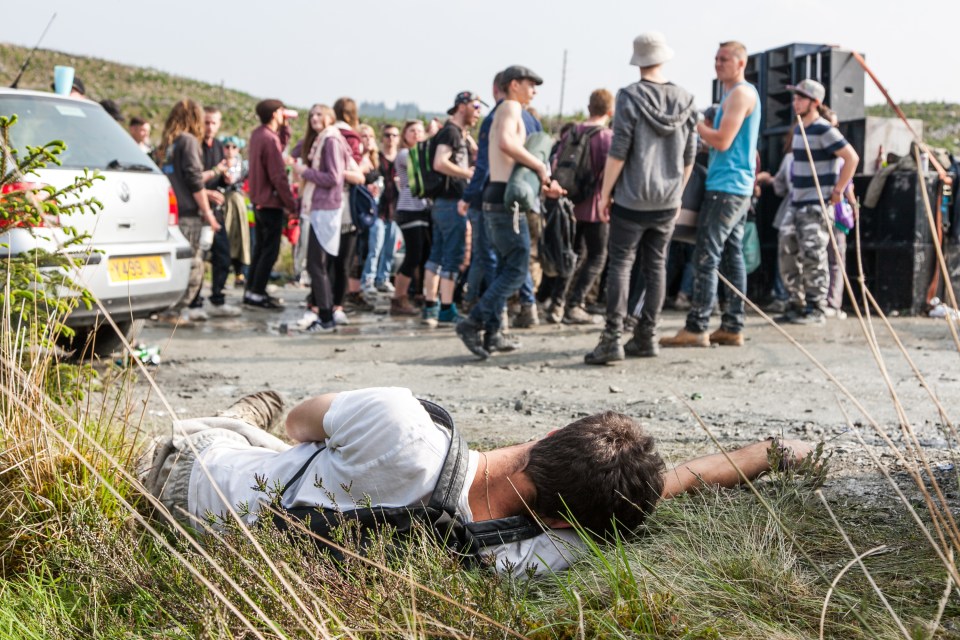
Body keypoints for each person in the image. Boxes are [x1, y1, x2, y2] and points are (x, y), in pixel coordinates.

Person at [139, 386, 814, 576]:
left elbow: (298, 423)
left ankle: (233, 412)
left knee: (263, 414)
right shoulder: (532, 556)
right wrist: (766, 454)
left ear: (547, 439)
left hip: (179, 483)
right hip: (206, 544)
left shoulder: (403, 426)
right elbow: (674, 486)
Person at [585, 34, 698, 364]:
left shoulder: (629, 96)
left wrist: (605, 194)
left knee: (621, 264)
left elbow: (619, 151)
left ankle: (612, 339)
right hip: (667, 200)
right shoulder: (687, 99)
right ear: (663, 58)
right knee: (656, 265)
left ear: (638, 60)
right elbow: (690, 155)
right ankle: (647, 336)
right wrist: (677, 191)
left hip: (632, 198)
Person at [456, 66, 562, 359]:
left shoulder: (508, 108)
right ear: (514, 85)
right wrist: (540, 167)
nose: (534, 91)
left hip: (500, 196)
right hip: (503, 200)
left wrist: (544, 183)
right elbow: (505, 143)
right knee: (516, 269)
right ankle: (473, 322)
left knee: (505, 267)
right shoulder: (511, 107)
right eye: (531, 85)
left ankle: (493, 334)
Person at [661, 41, 761, 349]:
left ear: (741, 63)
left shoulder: (741, 94)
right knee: (731, 258)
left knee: (707, 255)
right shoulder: (734, 95)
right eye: (716, 58)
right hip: (734, 186)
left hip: (726, 187)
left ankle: (697, 326)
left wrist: (696, 123)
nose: (718, 64)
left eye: (724, 59)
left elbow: (722, 140)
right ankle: (732, 326)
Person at [776, 82, 859, 325]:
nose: (795, 102)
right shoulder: (800, 129)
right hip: (797, 202)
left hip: (816, 204)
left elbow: (851, 157)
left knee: (814, 254)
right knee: (787, 248)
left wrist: (838, 190)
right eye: (795, 98)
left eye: (801, 98)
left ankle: (816, 307)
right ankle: (797, 302)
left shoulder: (824, 130)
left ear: (815, 103)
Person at [546, 88, 615, 327]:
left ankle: (556, 303)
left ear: (589, 108)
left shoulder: (572, 132)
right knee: (598, 255)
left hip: (569, 203)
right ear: (610, 110)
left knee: (571, 255)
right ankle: (575, 304)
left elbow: (556, 163)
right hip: (595, 205)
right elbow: (612, 171)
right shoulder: (607, 137)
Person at [156, 99, 221, 323]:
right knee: (193, 264)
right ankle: (175, 311)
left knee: (173, 264)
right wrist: (208, 212)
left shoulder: (167, 143)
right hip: (188, 214)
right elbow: (194, 180)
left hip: (169, 213)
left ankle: (165, 308)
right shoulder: (189, 141)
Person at [421, 91, 482, 327]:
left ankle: (430, 306)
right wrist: (468, 173)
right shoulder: (451, 132)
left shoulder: (457, 133)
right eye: (475, 107)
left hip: (441, 203)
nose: (478, 112)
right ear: (462, 106)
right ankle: (446, 308)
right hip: (450, 203)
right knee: (451, 256)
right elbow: (440, 162)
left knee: (437, 254)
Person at [291, 104, 354, 333]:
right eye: (311, 115)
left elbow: (334, 177)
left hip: (327, 207)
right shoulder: (322, 140)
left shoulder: (331, 140)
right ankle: (325, 314)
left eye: (319, 114)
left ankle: (326, 316)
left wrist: (304, 172)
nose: (314, 118)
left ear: (329, 118)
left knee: (317, 265)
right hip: (319, 206)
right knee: (317, 264)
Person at [245, 99, 297, 310]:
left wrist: (285, 129)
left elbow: (279, 146)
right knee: (270, 251)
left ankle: (251, 291)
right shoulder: (269, 139)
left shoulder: (258, 135)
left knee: (260, 249)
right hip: (270, 203)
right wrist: (291, 204)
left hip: (258, 200)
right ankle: (257, 293)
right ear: (276, 113)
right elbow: (278, 175)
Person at [198, 106, 241, 318]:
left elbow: (221, 174)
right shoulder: (195, 145)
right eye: (206, 122)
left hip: (216, 211)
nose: (210, 127)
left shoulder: (218, 147)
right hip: (198, 211)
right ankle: (193, 303)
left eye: (213, 123)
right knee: (198, 258)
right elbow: (190, 180)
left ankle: (217, 299)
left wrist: (224, 179)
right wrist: (206, 192)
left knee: (223, 255)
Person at [391, 120, 432, 316]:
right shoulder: (404, 154)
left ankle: (417, 293)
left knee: (423, 254)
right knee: (413, 254)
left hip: (422, 208)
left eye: (420, 131)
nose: (416, 134)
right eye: (412, 131)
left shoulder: (419, 152)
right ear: (404, 135)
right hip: (409, 208)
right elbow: (420, 167)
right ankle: (399, 297)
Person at [360, 124, 401, 296]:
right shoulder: (377, 159)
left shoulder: (401, 159)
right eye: (387, 135)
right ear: (382, 138)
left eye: (394, 135)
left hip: (396, 210)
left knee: (390, 249)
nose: (390, 138)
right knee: (375, 248)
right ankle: (368, 279)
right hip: (378, 210)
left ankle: (383, 279)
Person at [220, 136, 250, 287]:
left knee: (241, 237)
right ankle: (222, 276)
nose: (230, 150)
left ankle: (240, 274)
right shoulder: (219, 164)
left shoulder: (244, 166)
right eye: (227, 146)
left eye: (233, 147)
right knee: (225, 238)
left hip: (238, 203)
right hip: (222, 202)